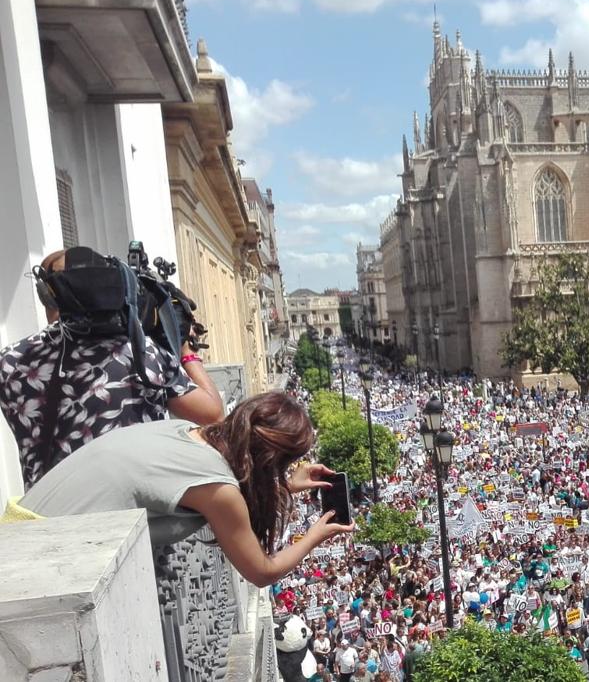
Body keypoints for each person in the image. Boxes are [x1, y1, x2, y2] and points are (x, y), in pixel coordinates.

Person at [6, 392, 354, 587]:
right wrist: (312, 537)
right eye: (283, 464)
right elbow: (261, 571)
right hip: (39, 570)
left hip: (18, 534)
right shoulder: (219, 488)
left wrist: (286, 484)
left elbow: (206, 484)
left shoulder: (188, 431)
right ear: (269, 458)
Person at [0, 247, 225, 488]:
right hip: (133, 515)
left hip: (50, 514)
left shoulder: (10, 361)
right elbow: (212, 414)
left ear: (47, 295)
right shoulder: (141, 355)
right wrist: (185, 352)